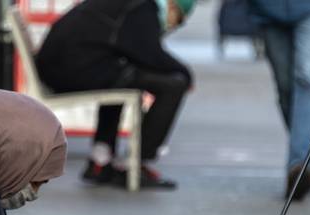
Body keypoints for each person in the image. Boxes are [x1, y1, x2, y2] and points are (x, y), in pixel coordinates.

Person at [35, 0, 196, 189]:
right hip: (72, 71)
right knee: (173, 86)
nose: (172, 26)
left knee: (123, 76)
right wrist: (185, 74)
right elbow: (149, 53)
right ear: (172, 6)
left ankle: (100, 159)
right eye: (178, 20)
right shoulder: (143, 7)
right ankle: (134, 164)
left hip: (63, 67)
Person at [248, 0, 310, 200]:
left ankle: (299, 165)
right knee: (286, 89)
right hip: (269, 10)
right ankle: (309, 161)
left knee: (307, 78)